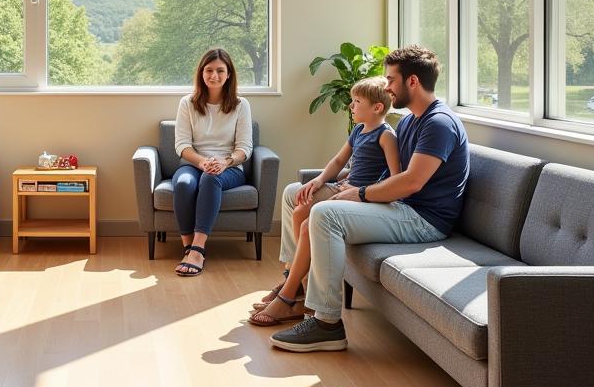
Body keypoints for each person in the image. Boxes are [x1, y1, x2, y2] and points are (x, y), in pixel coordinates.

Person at [271, 45, 469, 353]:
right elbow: (388, 173)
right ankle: (294, 290)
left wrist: (360, 194)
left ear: (412, 81)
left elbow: (411, 182)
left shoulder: (439, 123)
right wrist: (349, 185)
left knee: (325, 214)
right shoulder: (411, 121)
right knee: (307, 205)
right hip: (401, 207)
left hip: (424, 220)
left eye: (391, 79)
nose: (387, 87)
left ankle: (327, 324)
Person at [249, 76, 399, 326]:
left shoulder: (386, 136)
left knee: (302, 216)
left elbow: (395, 177)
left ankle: (296, 286)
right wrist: (317, 182)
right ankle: (296, 280)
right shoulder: (358, 131)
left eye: (357, 101)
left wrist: (363, 191)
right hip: (341, 186)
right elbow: (338, 162)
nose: (351, 106)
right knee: (299, 204)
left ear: (377, 107)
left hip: (360, 195)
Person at [171, 48, 253, 277]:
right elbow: (182, 145)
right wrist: (203, 162)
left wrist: (225, 162)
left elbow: (245, 148)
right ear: (201, 73)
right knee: (184, 184)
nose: (214, 75)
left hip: (229, 168)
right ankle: (188, 247)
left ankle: (198, 250)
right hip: (194, 163)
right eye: (209, 70)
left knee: (210, 179)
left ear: (228, 75)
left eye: (220, 70)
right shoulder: (187, 103)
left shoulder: (241, 105)